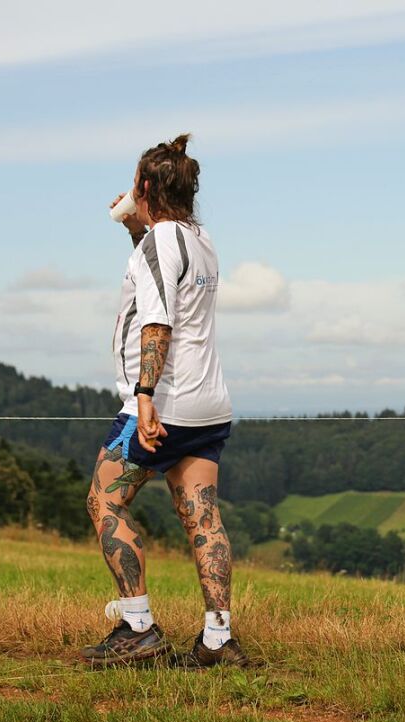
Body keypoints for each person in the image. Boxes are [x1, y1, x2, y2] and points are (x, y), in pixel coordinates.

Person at [80, 134, 248, 668]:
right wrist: (136, 227)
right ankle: (219, 640)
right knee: (202, 517)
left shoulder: (161, 242)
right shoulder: (199, 239)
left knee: (104, 501)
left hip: (163, 404)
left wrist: (145, 395)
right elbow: (162, 282)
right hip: (209, 406)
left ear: (146, 186)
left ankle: (138, 626)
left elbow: (158, 321)